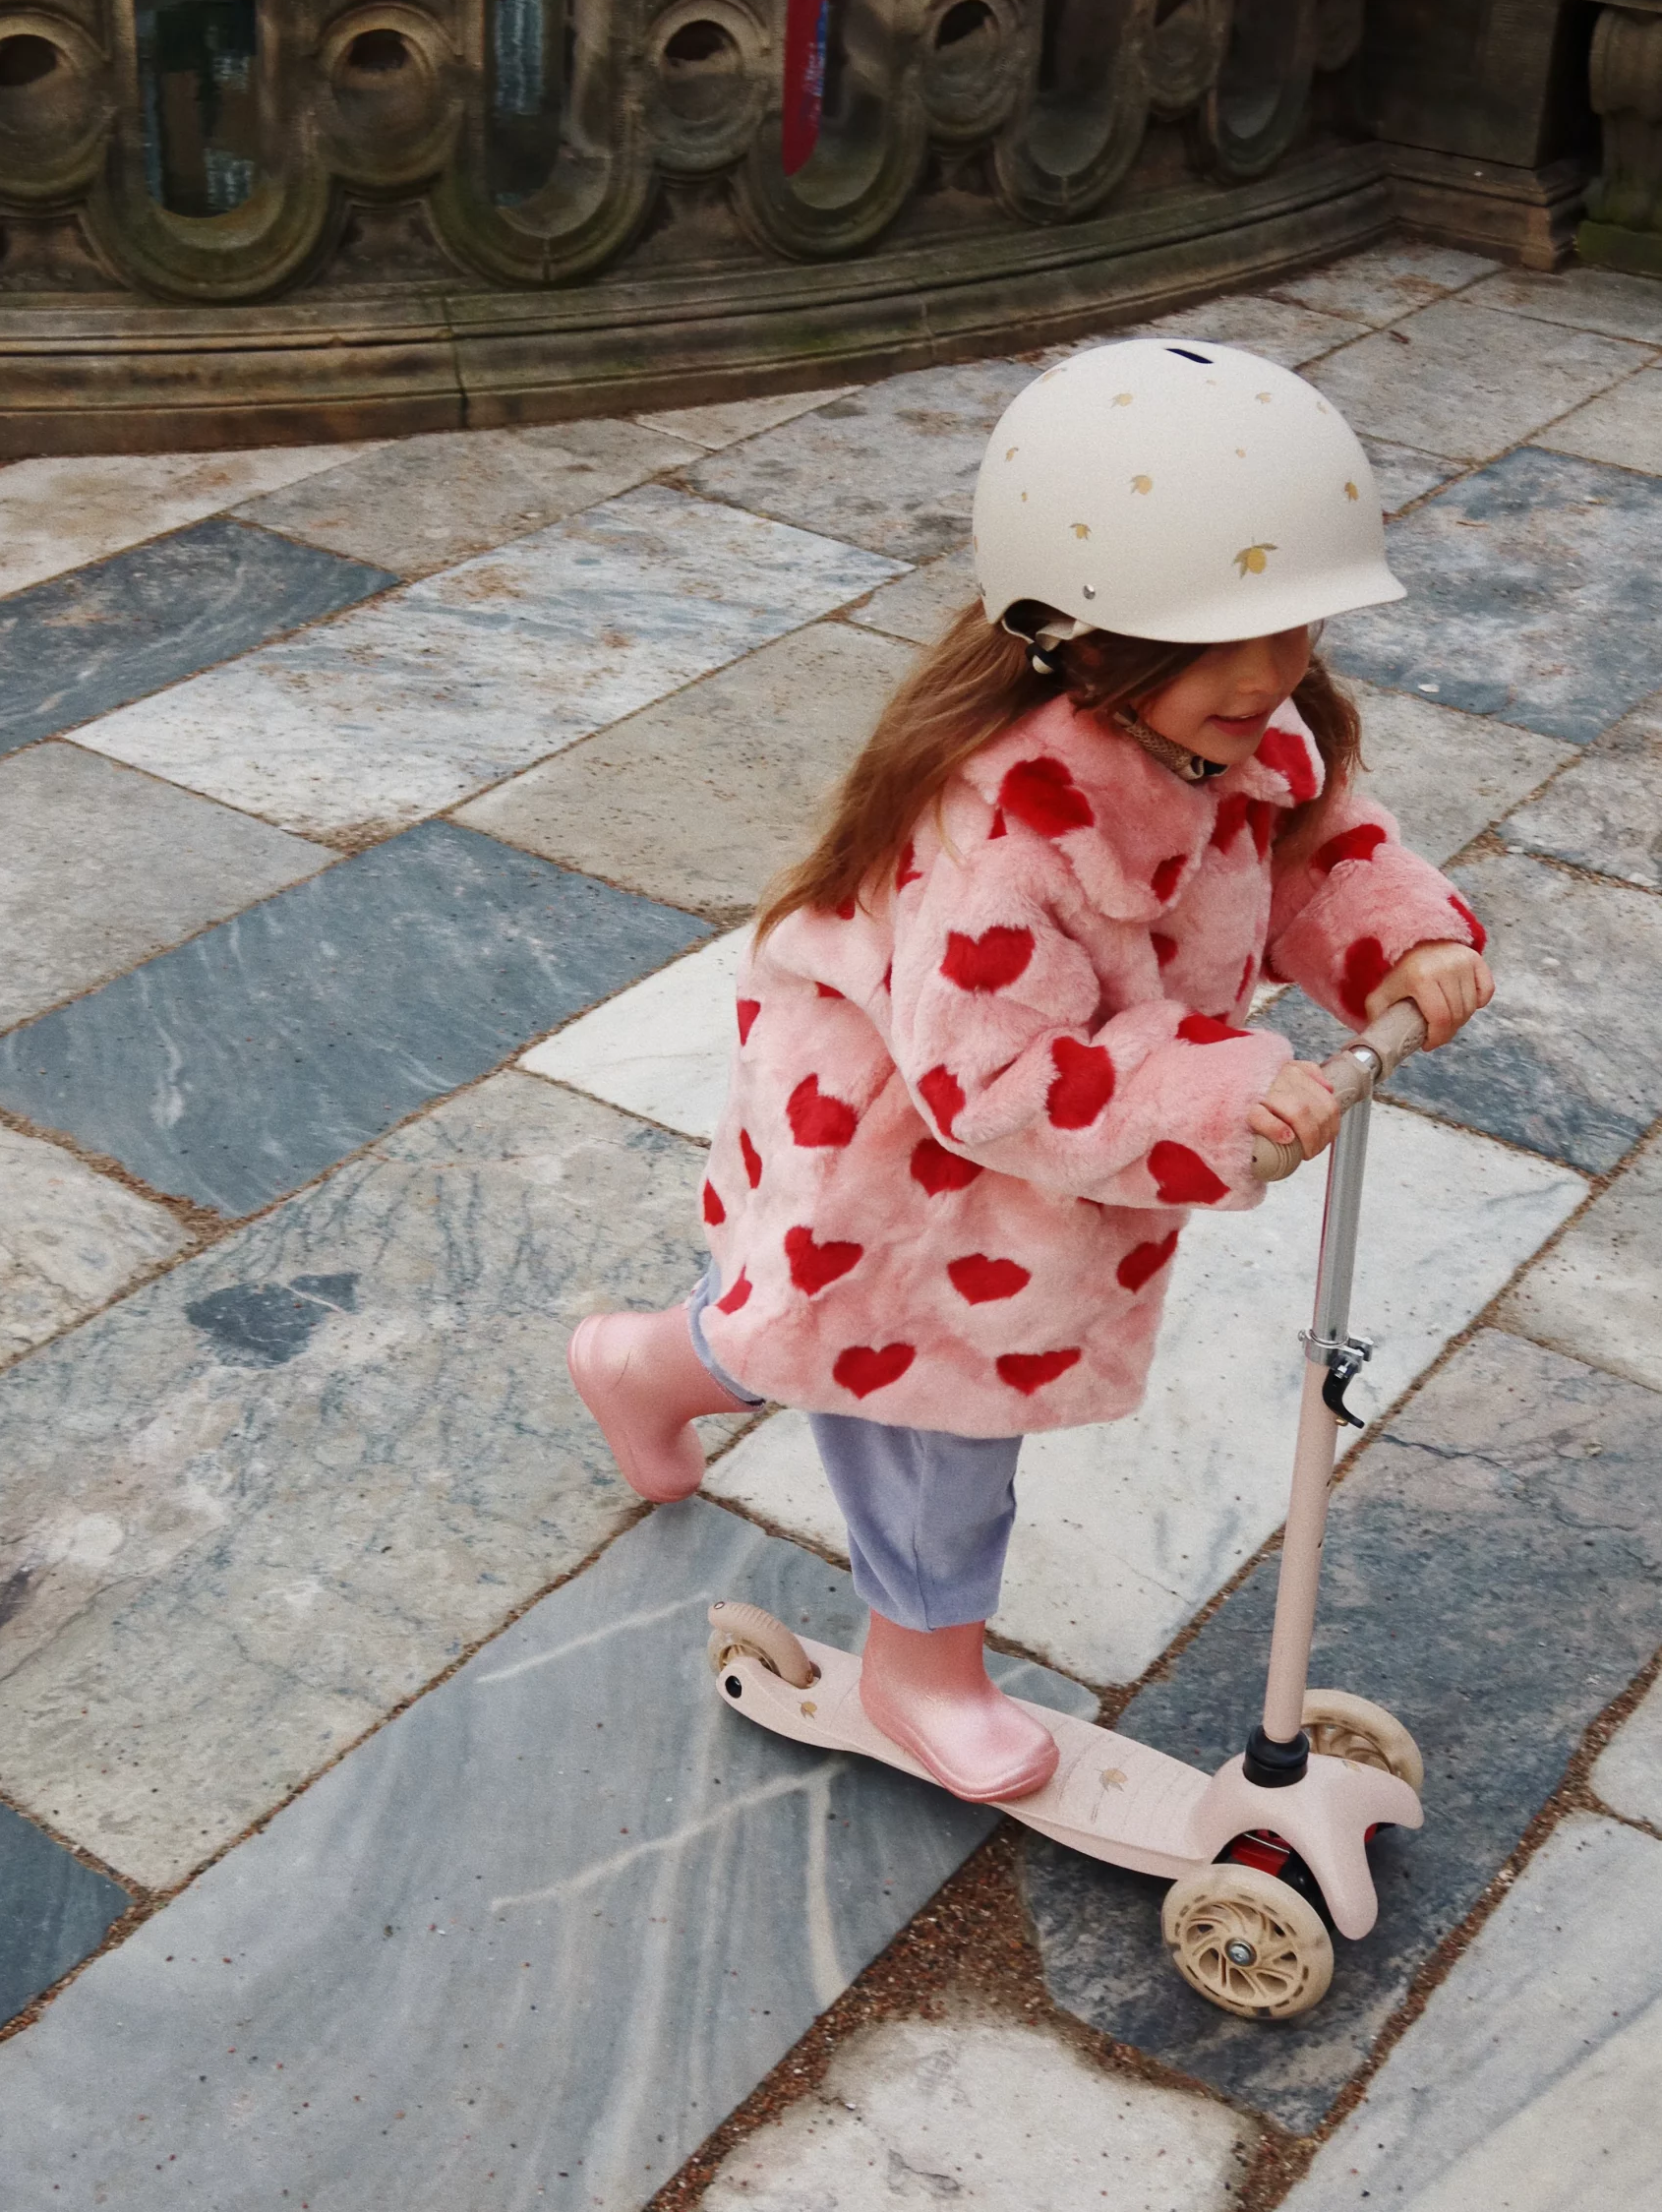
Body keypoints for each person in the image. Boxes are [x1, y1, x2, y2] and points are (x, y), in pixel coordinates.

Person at [569, 338, 1494, 1806]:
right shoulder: (999, 832)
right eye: (1217, 637)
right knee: (931, 1409)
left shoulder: (1233, 736)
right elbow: (995, 1079)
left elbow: (1311, 853)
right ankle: (918, 1670)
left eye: (1295, 627)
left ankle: (636, 1364)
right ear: (1078, 632)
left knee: (793, 1336)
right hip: (909, 1173)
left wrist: (1398, 940)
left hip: (1018, 1154)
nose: (1270, 674)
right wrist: (1217, 1094)